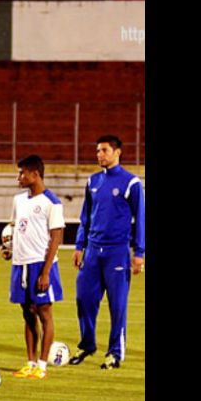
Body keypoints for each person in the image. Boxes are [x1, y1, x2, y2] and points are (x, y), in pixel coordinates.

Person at [70, 135, 145, 369]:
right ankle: (87, 345)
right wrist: (80, 245)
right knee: (84, 299)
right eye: (97, 151)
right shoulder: (92, 181)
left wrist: (139, 252)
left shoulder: (131, 183)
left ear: (117, 152)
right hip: (93, 251)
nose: (99, 155)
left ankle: (114, 353)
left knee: (117, 305)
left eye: (104, 150)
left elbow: (140, 219)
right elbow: (85, 217)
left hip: (117, 252)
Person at [6, 155, 65, 380]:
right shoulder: (19, 200)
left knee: (44, 313)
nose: (19, 177)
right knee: (27, 313)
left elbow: (56, 237)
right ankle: (29, 362)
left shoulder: (52, 202)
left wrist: (46, 271)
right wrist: (10, 248)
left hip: (41, 264)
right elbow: (15, 227)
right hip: (20, 264)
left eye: (22, 173)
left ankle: (42, 365)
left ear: (35, 174)